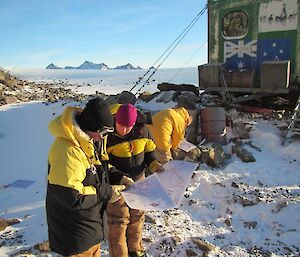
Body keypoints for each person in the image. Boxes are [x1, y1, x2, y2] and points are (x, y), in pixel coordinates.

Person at [46, 97, 125, 257]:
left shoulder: (88, 141)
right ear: (91, 126)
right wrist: (107, 193)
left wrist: (119, 177)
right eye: (103, 132)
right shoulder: (67, 151)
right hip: (75, 234)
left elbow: (97, 169)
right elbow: (73, 197)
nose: (103, 137)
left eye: (108, 133)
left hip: (89, 228)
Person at [106, 104, 163, 257]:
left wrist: (154, 164)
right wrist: (119, 177)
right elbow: (103, 163)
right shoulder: (108, 136)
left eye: (128, 126)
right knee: (118, 221)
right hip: (118, 186)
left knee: (137, 216)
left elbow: (150, 152)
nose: (124, 130)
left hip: (139, 182)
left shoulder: (143, 131)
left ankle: (135, 249)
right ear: (115, 120)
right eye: (121, 126)